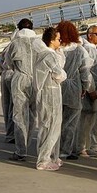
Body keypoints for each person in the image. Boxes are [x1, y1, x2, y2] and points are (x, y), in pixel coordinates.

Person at [8, 19, 46, 161]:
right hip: (37, 79)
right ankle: (27, 143)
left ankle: (20, 150)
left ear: (18, 28)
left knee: (19, 115)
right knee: (33, 115)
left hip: (20, 78)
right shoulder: (40, 43)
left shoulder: (15, 43)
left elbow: (8, 63)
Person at [56, 20, 93, 160]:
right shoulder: (79, 50)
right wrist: (85, 87)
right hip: (74, 88)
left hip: (57, 86)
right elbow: (85, 71)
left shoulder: (56, 49)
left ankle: (54, 148)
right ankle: (66, 149)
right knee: (71, 122)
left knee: (56, 120)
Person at [33, 27, 68, 171]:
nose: (60, 41)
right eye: (58, 39)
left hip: (45, 92)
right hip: (51, 93)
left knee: (46, 125)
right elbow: (59, 74)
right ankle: (44, 159)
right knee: (51, 126)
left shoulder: (41, 54)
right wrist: (64, 75)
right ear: (52, 40)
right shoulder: (50, 56)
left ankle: (50, 156)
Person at [77, 26, 97, 157]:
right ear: (89, 35)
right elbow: (87, 72)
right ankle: (81, 147)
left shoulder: (93, 49)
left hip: (94, 88)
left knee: (89, 120)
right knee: (85, 120)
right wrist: (90, 89)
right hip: (89, 91)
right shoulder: (89, 50)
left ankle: (84, 146)